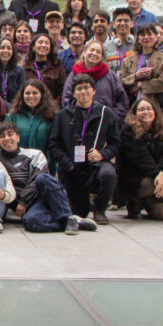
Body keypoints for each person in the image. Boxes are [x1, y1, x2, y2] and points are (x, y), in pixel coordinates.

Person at [0, 121, 96, 235]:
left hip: (43, 197)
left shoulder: (34, 154)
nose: (7, 138)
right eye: (2, 136)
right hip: (31, 207)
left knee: (42, 178)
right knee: (31, 222)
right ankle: (71, 222)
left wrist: (24, 201)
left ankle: (67, 216)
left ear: (18, 137)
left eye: (10, 134)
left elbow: (37, 178)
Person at [48, 74, 120, 224]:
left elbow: (116, 144)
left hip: (96, 164)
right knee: (79, 212)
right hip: (72, 167)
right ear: (73, 93)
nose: (83, 92)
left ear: (94, 91)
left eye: (87, 88)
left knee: (109, 174)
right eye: (79, 89)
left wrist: (103, 154)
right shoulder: (63, 115)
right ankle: (86, 205)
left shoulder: (106, 114)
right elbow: (54, 144)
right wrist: (67, 163)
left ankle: (100, 210)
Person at [118, 97, 163, 220]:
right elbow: (141, 158)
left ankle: (145, 201)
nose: (146, 112)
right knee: (151, 184)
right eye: (141, 109)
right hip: (134, 177)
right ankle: (134, 201)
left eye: (149, 109)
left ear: (155, 111)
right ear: (135, 113)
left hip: (157, 174)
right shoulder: (128, 130)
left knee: (162, 215)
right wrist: (158, 175)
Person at [61, 40, 129, 120]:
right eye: (92, 50)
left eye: (98, 52)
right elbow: (66, 99)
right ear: (85, 52)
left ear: (102, 56)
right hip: (80, 123)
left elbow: (122, 100)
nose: (94, 53)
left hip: (105, 123)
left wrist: (113, 117)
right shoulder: (74, 75)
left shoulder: (110, 75)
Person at [120, 24, 163, 112]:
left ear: (156, 37)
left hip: (157, 104)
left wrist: (141, 85)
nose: (146, 37)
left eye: (150, 34)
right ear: (138, 39)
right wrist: (136, 76)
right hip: (133, 103)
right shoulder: (128, 60)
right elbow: (122, 80)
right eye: (143, 35)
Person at [5, 79, 57, 162]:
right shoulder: (13, 116)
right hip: (17, 164)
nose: (31, 96)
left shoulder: (51, 116)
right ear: (22, 95)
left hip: (44, 163)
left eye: (35, 93)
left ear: (42, 95)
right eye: (27, 93)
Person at [23, 34, 66, 100]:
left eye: (47, 43)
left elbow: (63, 90)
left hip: (52, 108)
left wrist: (54, 107)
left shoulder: (57, 67)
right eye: (40, 42)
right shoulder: (25, 68)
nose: (43, 45)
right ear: (33, 47)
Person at [103, 7, 136, 72]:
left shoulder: (139, 45)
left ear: (132, 23)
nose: (122, 23)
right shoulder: (106, 47)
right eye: (119, 20)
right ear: (114, 24)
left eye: (126, 20)